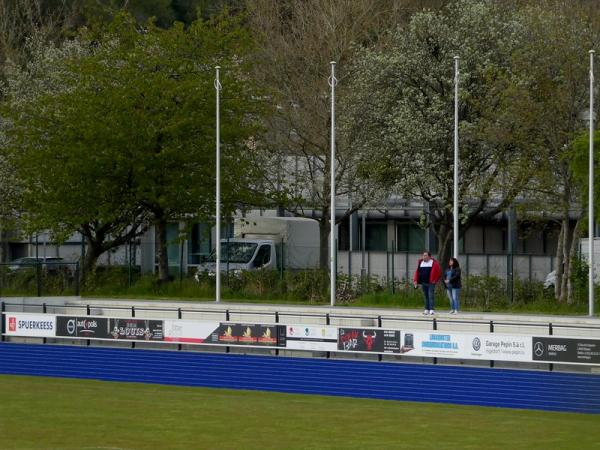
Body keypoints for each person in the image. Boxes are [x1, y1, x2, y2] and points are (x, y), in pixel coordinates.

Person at [413, 251, 442, 315]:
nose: (424, 256)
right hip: (423, 282)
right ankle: (426, 309)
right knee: (426, 296)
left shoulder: (434, 263)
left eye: (425, 255)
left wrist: (435, 280)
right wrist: (415, 280)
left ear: (429, 256)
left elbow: (439, 272)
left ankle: (431, 309)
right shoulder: (421, 262)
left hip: (431, 283)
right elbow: (417, 272)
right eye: (423, 255)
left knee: (430, 296)